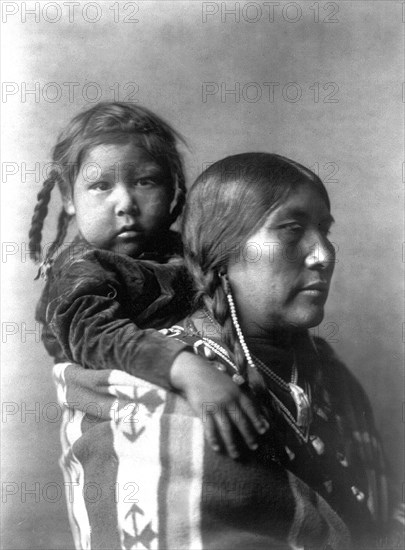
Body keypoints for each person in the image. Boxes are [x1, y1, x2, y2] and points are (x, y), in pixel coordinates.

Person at [29, 102, 267, 459]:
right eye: (100, 186)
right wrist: (187, 368)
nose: (125, 202)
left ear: (172, 187)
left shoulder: (179, 252)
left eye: (145, 181)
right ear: (68, 198)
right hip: (127, 434)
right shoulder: (81, 269)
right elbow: (98, 337)